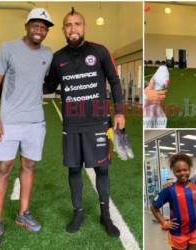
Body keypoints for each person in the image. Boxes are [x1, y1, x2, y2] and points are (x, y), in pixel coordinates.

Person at [43, 9, 124, 237]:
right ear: (63, 30)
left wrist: (119, 112)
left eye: (77, 24)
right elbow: (48, 86)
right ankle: (77, 212)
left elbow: (115, 82)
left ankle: (105, 215)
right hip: (72, 123)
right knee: (74, 169)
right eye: (68, 25)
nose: (73, 29)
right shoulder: (57, 58)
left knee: (102, 169)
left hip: (98, 122)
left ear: (84, 27)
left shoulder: (99, 51)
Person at [0, 8, 53, 249]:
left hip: (35, 122)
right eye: (36, 25)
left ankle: (22, 213)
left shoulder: (48, 54)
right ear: (27, 26)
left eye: (44, 26)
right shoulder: (8, 48)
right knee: (4, 167)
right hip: (8, 121)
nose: (40, 30)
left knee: (28, 165)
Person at [151, 153, 196, 250]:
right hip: (177, 233)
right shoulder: (169, 189)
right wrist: (164, 222)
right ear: (173, 171)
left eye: (185, 170)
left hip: (195, 231)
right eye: (178, 171)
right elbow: (153, 207)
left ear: (189, 169)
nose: (182, 173)